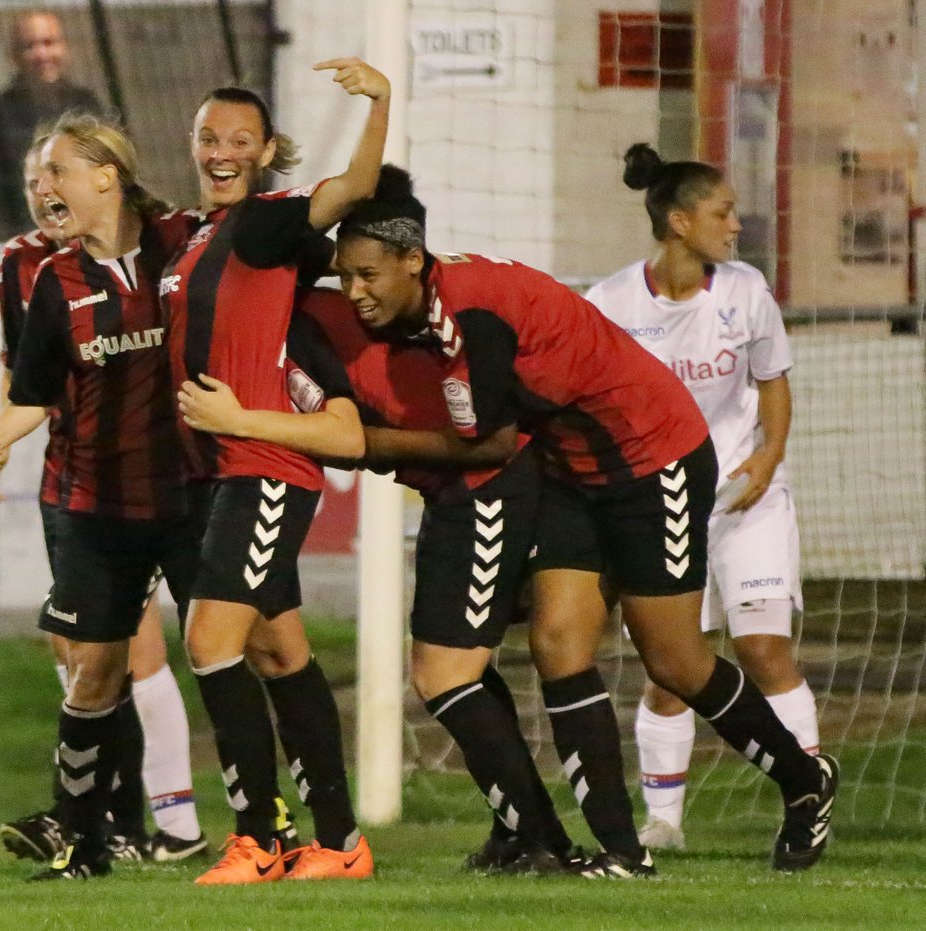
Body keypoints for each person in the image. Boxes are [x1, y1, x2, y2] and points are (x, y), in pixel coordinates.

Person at [330, 164, 839, 877]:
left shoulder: (470, 317)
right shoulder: (440, 298)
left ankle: (805, 781)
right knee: (559, 640)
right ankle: (622, 851)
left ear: (413, 259)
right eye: (343, 277)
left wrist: (359, 443)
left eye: (366, 275)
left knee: (674, 660)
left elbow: (491, 441)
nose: (354, 292)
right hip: (575, 473)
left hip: (652, 459)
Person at [179, 282, 586, 877]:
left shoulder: (302, 318)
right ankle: (483, 834)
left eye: (368, 273)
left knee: (444, 675)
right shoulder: (270, 314)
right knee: (290, 651)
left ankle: (558, 842)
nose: (359, 288)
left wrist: (240, 420)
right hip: (447, 485)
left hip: (484, 484)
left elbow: (349, 433)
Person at [161, 60, 389, 885]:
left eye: (240, 140)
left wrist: (379, 102)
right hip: (219, 471)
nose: (222, 150)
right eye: (209, 137)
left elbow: (352, 187)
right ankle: (339, 842)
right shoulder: (193, 234)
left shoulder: (266, 222)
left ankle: (257, 837)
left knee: (208, 641)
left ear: (265, 152)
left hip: (264, 467)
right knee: (279, 652)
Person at [0, 111, 203, 880]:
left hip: (186, 487)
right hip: (89, 493)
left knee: (225, 649)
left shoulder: (182, 240)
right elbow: (31, 382)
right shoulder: (39, 273)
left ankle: (225, 823)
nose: (42, 192)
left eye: (54, 174)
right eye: (35, 181)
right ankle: (86, 832)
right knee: (90, 658)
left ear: (106, 175)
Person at [584, 142, 820, 851]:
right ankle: (665, 821)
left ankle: (808, 797)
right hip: (659, 505)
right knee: (672, 665)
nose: (737, 223)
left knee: (763, 646)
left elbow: (772, 380)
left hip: (746, 497)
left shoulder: (746, 290)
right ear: (680, 221)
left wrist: (768, 455)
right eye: (724, 210)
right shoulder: (612, 302)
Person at [0, 10, 102, 239]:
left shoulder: (89, 108)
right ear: (13, 56)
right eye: (29, 46)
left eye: (49, 43)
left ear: (65, 49)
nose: (42, 54)